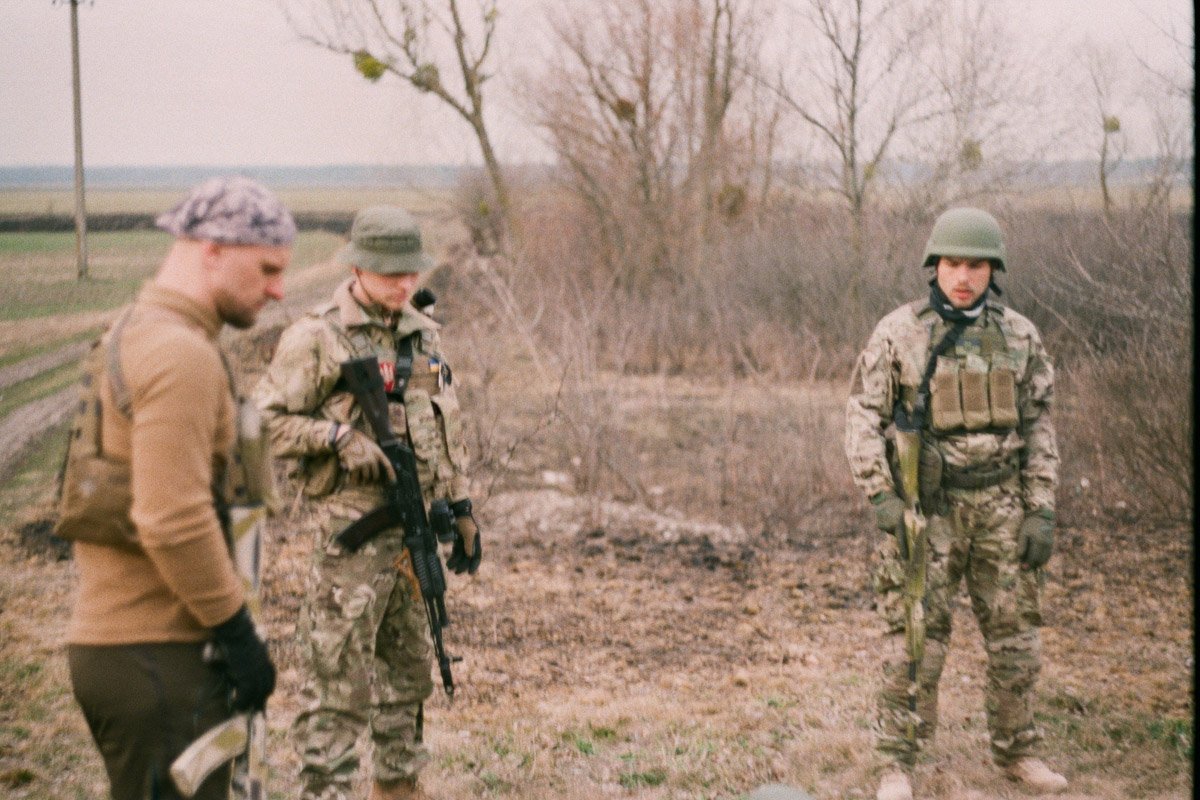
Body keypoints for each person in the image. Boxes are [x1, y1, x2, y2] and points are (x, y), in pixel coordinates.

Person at [61, 176, 292, 799]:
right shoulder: (178, 353)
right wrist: (238, 634)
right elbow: (171, 516)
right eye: (267, 267)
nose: (279, 288)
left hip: (133, 650)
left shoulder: (138, 330)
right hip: (158, 650)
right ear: (210, 248)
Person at [254, 205, 480, 800]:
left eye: (410, 272)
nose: (404, 284)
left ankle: (399, 785)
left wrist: (461, 506)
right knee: (337, 683)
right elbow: (261, 422)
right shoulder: (317, 336)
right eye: (389, 274)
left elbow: (444, 426)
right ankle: (325, 789)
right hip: (352, 534)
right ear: (356, 267)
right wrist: (334, 437)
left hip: (416, 533)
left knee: (409, 674)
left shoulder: (423, 334)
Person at [844, 208, 1066, 800]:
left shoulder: (1020, 335)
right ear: (934, 267)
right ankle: (898, 762)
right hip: (929, 512)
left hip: (1002, 506)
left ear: (993, 270)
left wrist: (1040, 508)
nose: (963, 276)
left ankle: (1019, 753)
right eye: (951, 263)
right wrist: (882, 497)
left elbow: (1040, 424)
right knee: (915, 641)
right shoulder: (899, 332)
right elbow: (862, 418)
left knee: (1016, 639)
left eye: (975, 265)